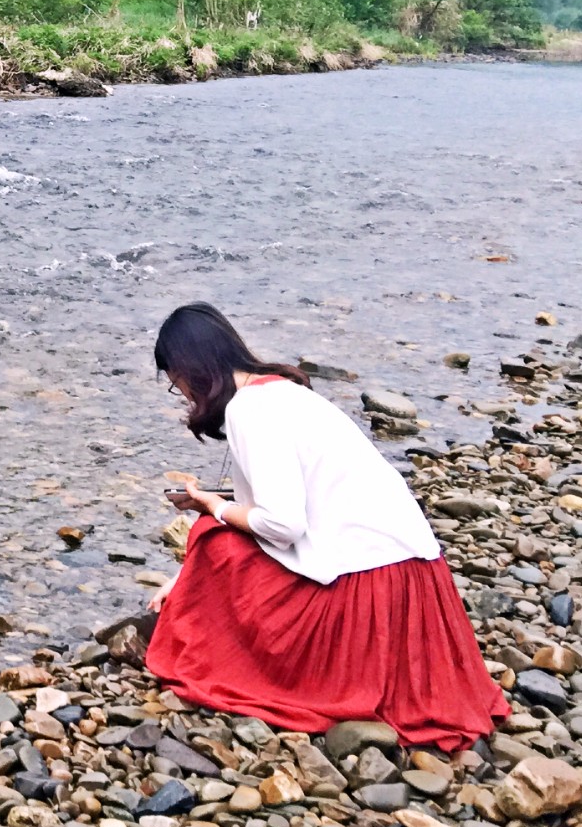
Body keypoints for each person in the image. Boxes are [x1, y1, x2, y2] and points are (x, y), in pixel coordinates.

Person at [142, 302, 506, 751]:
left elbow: (280, 525)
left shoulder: (248, 411)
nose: (182, 394)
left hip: (368, 587)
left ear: (190, 368)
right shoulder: (285, 393)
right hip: (416, 576)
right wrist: (182, 578)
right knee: (219, 527)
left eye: (175, 381)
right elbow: (266, 512)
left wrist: (212, 506)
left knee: (214, 536)